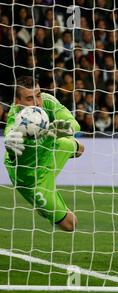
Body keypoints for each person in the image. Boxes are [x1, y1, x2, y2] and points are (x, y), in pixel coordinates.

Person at [3, 76, 84, 231]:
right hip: (30, 176)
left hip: (49, 149)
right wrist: (10, 144)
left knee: (80, 148)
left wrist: (63, 129)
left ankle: (46, 203)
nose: (37, 102)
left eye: (38, 95)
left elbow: (75, 124)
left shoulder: (47, 101)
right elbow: (10, 135)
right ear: (17, 101)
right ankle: (43, 205)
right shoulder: (17, 116)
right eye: (29, 98)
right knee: (70, 224)